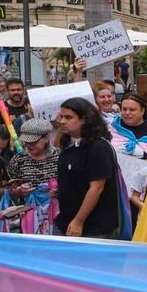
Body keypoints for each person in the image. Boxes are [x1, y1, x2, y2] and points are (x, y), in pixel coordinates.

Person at [53, 97, 123, 240]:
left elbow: (96, 188)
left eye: (68, 117)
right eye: (61, 117)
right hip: (65, 221)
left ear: (84, 119)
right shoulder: (68, 145)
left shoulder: (98, 147)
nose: (62, 121)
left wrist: (79, 221)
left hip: (92, 227)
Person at [3, 117, 59, 234]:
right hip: (28, 217)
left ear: (47, 137)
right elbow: (9, 190)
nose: (29, 146)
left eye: (34, 142)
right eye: (26, 142)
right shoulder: (19, 160)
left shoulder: (60, 157)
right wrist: (18, 191)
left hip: (56, 216)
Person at [110, 93, 147, 157]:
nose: (127, 113)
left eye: (132, 110)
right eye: (124, 109)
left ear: (142, 111)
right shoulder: (113, 128)